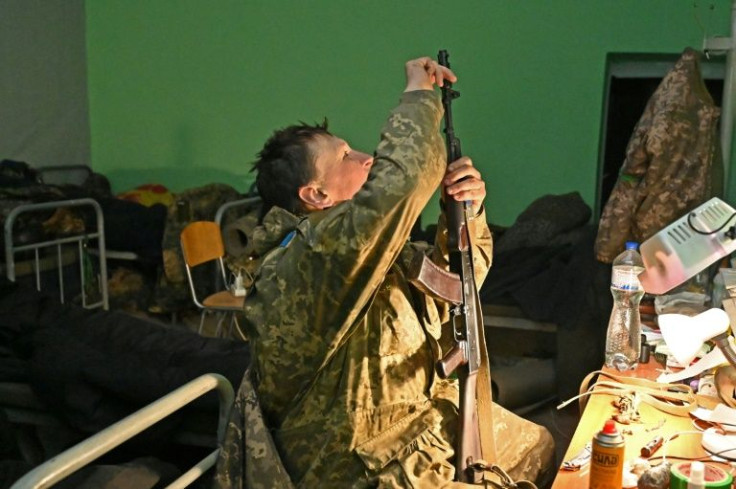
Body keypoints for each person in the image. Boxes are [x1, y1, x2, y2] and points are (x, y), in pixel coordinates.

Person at [214, 56, 555, 488]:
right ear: (316, 194)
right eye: (345, 156)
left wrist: (464, 213)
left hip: (421, 423)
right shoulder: (306, 261)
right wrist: (418, 96)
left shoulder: (367, 252)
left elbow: (458, 284)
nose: (366, 158)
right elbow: (404, 180)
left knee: (538, 447)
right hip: (363, 462)